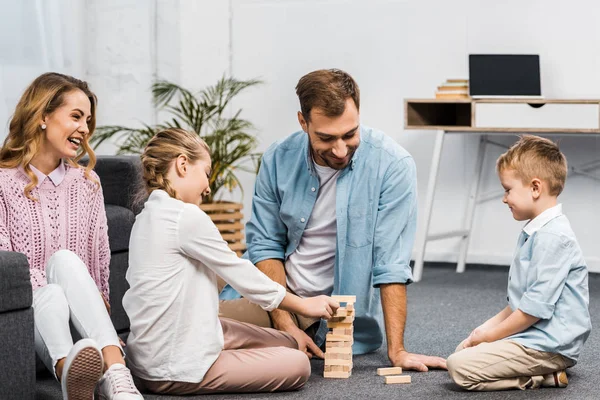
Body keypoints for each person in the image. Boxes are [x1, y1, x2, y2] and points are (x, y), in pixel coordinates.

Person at [219, 68, 446, 371]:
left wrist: (398, 351)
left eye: (350, 134)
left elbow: (390, 262)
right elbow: (265, 244)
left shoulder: (393, 165)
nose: (340, 151)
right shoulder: (278, 158)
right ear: (304, 122)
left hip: (333, 315)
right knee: (195, 325)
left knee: (205, 332)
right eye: (326, 138)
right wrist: (286, 323)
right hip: (278, 297)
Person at [123, 128, 339, 395]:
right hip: (173, 368)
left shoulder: (146, 217)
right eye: (206, 172)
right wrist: (305, 305)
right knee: (298, 365)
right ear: (182, 164)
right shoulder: (185, 216)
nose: (208, 186)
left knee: (289, 342)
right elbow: (241, 275)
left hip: (146, 356)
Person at [0, 72, 143, 399]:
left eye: (88, 120)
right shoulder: (3, 182)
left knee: (64, 261)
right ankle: (78, 375)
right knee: (50, 295)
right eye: (76, 116)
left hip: (82, 318)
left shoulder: (87, 182)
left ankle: (109, 371)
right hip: (36, 311)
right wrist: (56, 290)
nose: (84, 129)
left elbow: (98, 266)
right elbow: (7, 269)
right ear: (43, 117)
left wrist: (90, 305)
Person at [446, 135, 592, 391]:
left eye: (507, 189)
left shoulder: (552, 237)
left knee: (460, 368)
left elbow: (533, 311)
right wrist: (481, 331)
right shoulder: (535, 231)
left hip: (551, 344)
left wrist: (491, 336)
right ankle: (543, 370)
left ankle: (543, 376)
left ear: (535, 188)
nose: (504, 198)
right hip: (533, 334)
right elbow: (519, 304)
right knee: (463, 349)